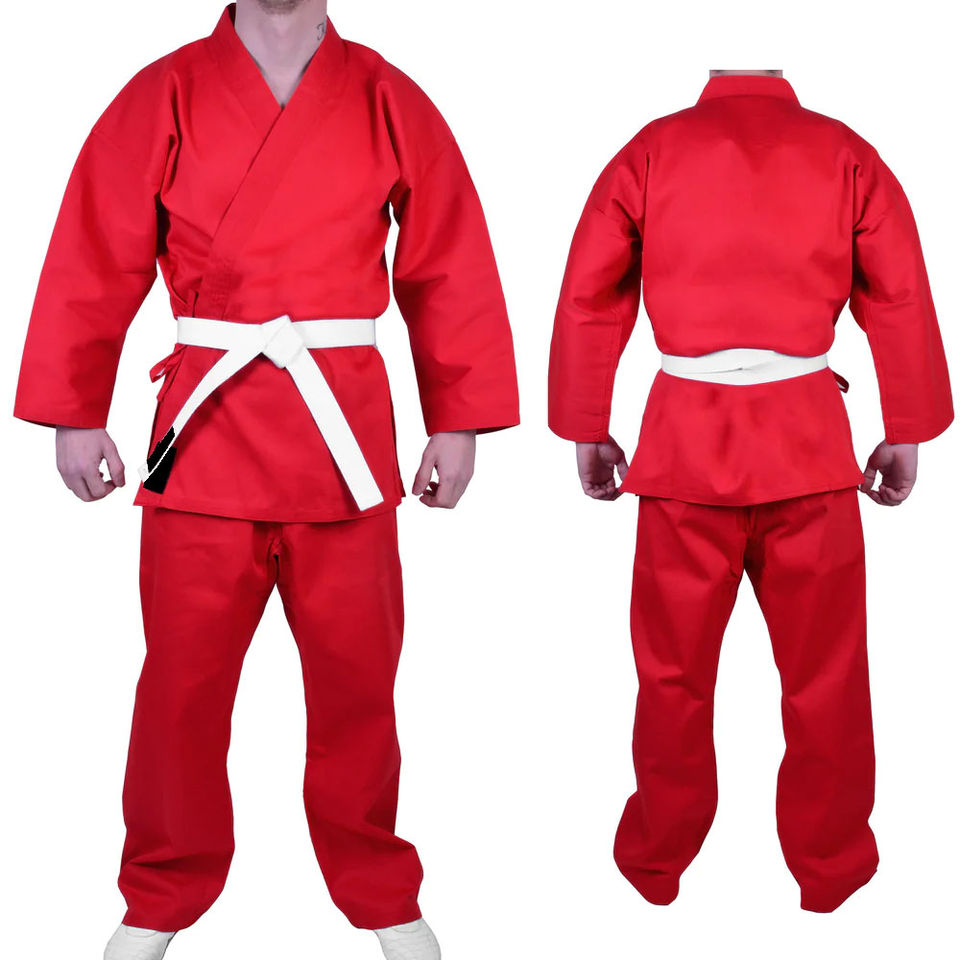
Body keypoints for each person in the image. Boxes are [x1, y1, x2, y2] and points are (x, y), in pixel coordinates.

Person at [14, 2, 519, 958]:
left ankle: (380, 890)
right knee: (180, 690)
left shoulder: (387, 98)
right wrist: (74, 408)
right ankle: (160, 892)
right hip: (204, 439)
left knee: (360, 685)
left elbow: (447, 263)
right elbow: (93, 250)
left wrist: (458, 418)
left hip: (344, 444)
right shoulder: (163, 92)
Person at [548, 69, 951, 912]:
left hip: (683, 451)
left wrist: (588, 422)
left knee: (671, 676)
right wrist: (906, 425)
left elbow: (591, 293)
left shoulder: (652, 151)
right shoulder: (844, 153)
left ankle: (655, 859)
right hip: (808, 450)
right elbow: (901, 293)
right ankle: (832, 867)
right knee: (827, 676)